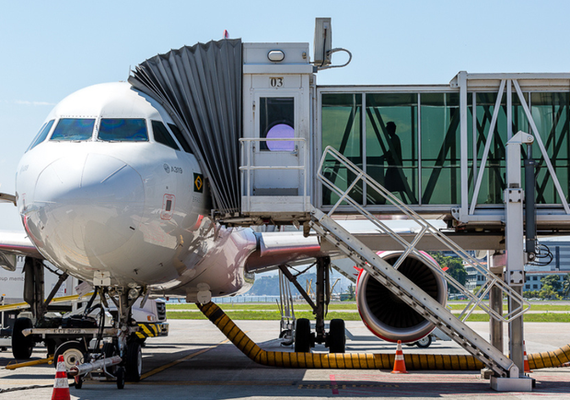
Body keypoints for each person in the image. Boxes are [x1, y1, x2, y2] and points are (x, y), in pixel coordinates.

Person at [384, 122, 406, 193]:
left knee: (387, 183)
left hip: (394, 165)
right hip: (395, 165)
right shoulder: (394, 138)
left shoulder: (394, 139)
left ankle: (382, 200)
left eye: (387, 128)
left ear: (390, 129)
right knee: (390, 183)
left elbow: (391, 152)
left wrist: (383, 156)